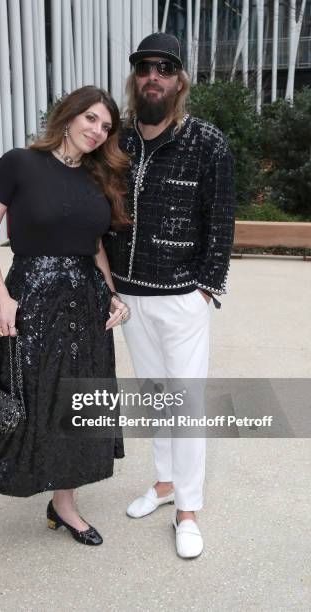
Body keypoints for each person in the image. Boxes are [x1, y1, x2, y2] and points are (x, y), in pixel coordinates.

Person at [0, 86, 131, 581]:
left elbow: (94, 248)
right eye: (91, 119)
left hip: (86, 307)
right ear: (69, 116)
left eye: (106, 127)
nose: (97, 131)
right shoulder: (19, 164)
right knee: (13, 412)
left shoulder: (98, 177)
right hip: (30, 299)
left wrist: (113, 297)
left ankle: (63, 506)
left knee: (77, 408)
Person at [103, 33, 235, 559]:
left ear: (179, 80)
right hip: (129, 298)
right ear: (135, 79)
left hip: (183, 297)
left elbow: (220, 222)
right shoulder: (117, 143)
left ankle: (188, 510)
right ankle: (163, 485)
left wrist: (204, 289)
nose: (152, 77)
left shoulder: (207, 142)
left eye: (163, 68)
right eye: (143, 68)